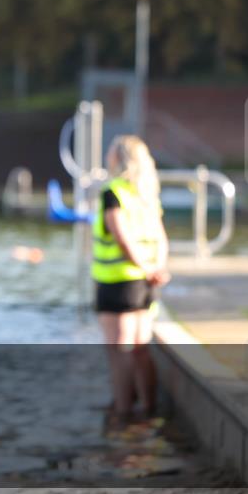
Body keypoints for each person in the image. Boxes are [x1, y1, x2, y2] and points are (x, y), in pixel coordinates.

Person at [92, 135, 170, 428]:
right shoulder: (146, 195)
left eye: (111, 152)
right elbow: (162, 238)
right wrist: (156, 269)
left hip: (118, 283)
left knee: (119, 350)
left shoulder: (113, 192)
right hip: (145, 283)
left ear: (118, 159)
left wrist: (144, 268)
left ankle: (123, 414)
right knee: (140, 348)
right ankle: (148, 409)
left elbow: (121, 237)